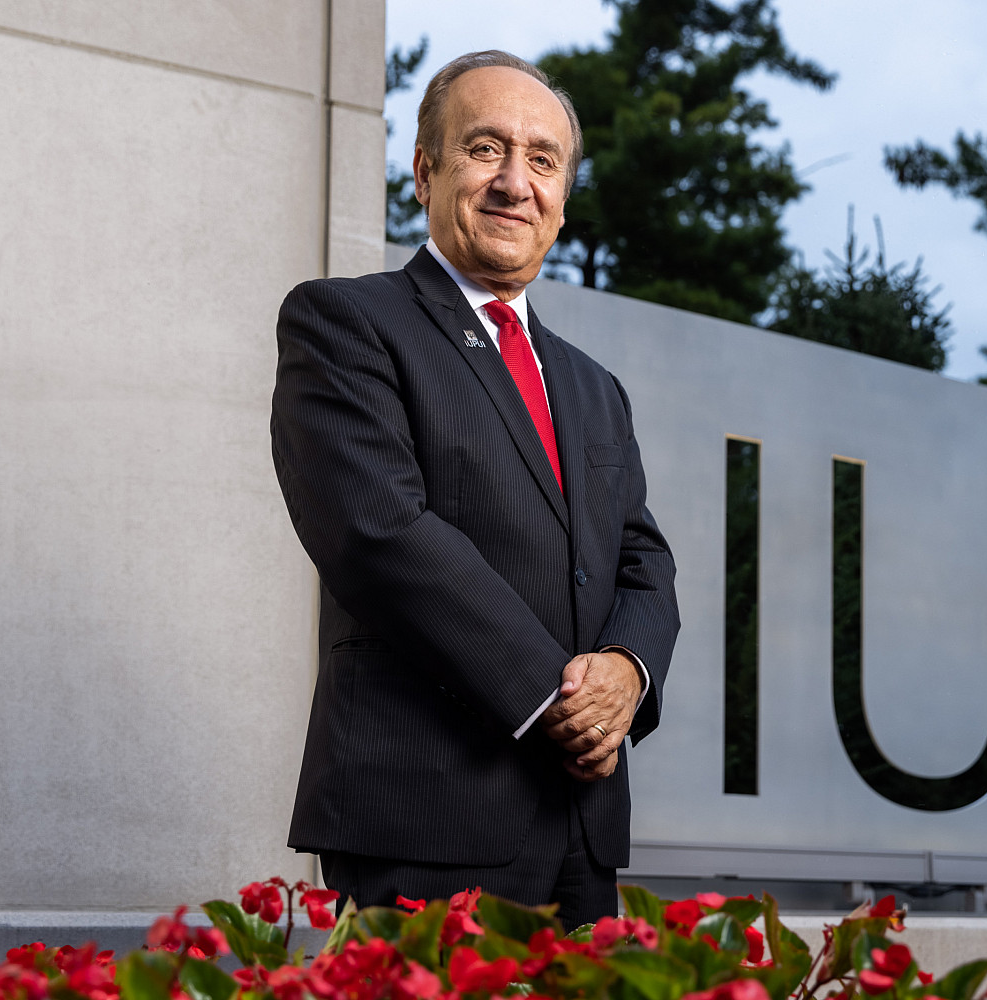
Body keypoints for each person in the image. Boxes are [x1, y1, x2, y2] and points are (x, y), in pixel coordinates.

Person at [269, 50, 679, 930]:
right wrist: (561, 704)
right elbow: (380, 534)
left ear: (563, 199)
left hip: (581, 830)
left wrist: (626, 673)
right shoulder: (345, 322)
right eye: (485, 149)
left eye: (543, 160)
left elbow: (642, 558)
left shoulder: (593, 386)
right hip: (427, 812)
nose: (514, 182)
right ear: (425, 169)